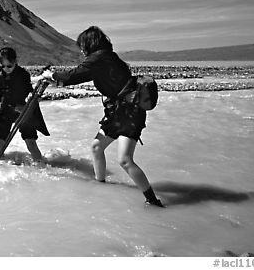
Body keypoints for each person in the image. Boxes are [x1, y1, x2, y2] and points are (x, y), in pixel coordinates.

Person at [39, 26, 164, 207]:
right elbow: (76, 76)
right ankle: (100, 186)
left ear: (90, 43)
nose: (81, 49)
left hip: (130, 115)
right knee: (97, 148)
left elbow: (73, 76)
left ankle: (152, 200)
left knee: (125, 160)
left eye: (82, 45)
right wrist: (56, 79)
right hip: (116, 113)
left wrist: (51, 75)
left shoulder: (99, 58)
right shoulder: (107, 57)